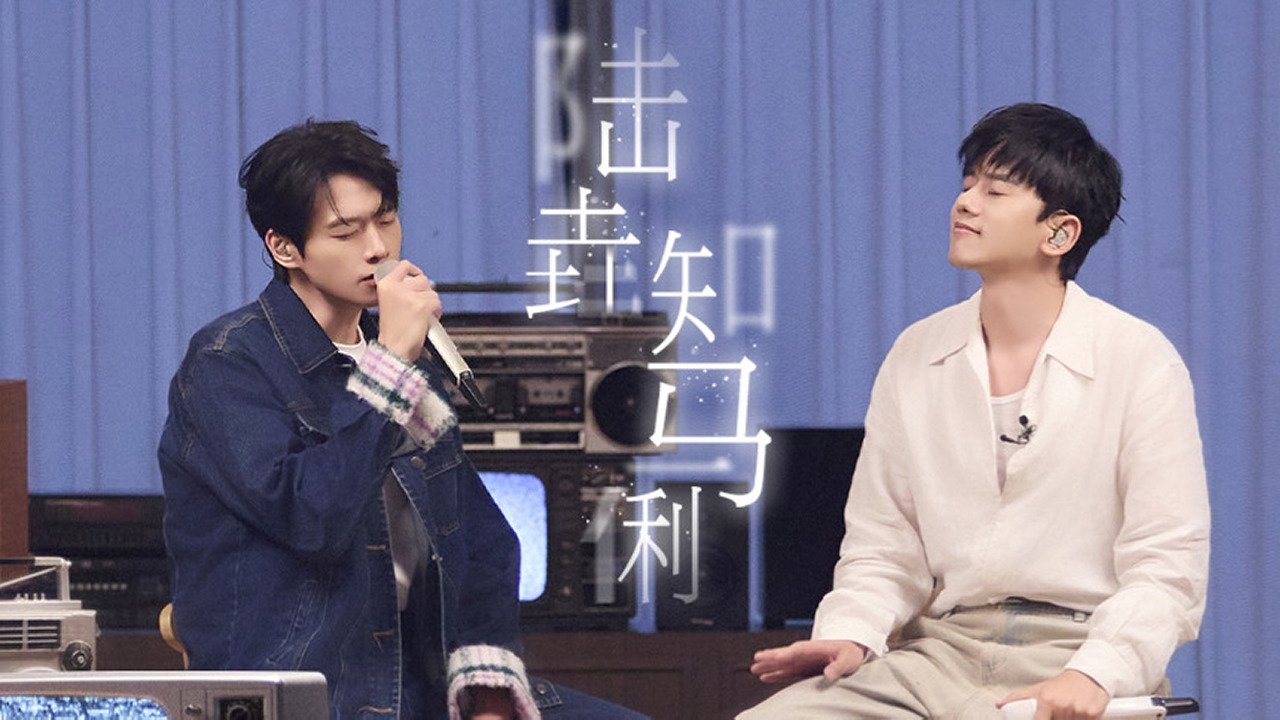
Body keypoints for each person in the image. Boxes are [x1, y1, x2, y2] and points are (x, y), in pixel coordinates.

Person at [159, 120, 648, 720]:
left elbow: (479, 537)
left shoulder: (404, 358)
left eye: (385, 219)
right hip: (315, 692)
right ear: (285, 248)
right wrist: (391, 361)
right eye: (345, 231)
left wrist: (488, 693)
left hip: (421, 684)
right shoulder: (227, 363)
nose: (377, 248)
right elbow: (315, 517)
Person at [739, 103, 1210, 720]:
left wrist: (1095, 673)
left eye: (995, 191)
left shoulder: (1139, 359)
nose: (965, 203)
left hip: (1076, 652)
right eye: (966, 185)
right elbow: (884, 545)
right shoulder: (916, 353)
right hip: (937, 653)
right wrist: (851, 632)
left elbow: (1168, 565)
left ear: (1059, 233)